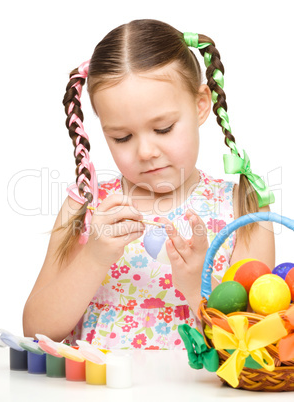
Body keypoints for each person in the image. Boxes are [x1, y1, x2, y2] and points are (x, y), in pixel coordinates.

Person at [23, 19, 275, 349]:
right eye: (122, 136)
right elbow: (37, 330)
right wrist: (93, 259)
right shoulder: (86, 208)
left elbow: (262, 337)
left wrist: (198, 284)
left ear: (201, 105)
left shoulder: (244, 204)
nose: (145, 152)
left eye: (164, 128)